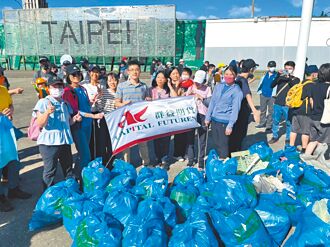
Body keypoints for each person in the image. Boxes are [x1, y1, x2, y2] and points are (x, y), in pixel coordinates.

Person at [33, 76, 81, 189]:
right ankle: (48, 197)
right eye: (54, 86)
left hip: (64, 141)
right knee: (50, 172)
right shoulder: (43, 102)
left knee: (68, 169)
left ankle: (71, 192)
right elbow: (40, 123)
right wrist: (47, 113)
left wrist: (75, 119)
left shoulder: (65, 103)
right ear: (48, 88)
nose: (57, 88)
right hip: (49, 144)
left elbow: (68, 122)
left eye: (59, 86)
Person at [63, 64, 103, 179]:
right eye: (73, 74)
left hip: (87, 125)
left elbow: (86, 105)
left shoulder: (82, 88)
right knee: (85, 155)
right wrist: (93, 116)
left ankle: (78, 177)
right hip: (78, 126)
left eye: (78, 74)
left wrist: (94, 99)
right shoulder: (68, 91)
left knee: (84, 154)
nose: (76, 76)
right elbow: (76, 111)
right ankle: (81, 179)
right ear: (68, 76)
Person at [0, 85, 31, 212]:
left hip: (6, 131)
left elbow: (10, 104)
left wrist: (10, 110)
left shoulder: (2, 89)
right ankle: (1, 198)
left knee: (13, 160)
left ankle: (13, 188)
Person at [115, 60, 151, 166]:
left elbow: (147, 99)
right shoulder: (121, 86)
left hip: (141, 120)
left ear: (140, 71)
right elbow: (116, 103)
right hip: (126, 120)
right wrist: (123, 104)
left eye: (137, 70)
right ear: (127, 72)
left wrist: (149, 99)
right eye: (132, 70)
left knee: (143, 143)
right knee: (126, 145)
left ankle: (146, 163)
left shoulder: (144, 86)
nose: (134, 72)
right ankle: (127, 165)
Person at [205, 66, 243, 159]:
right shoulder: (219, 86)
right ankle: (220, 161)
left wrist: (230, 125)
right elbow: (212, 102)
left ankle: (223, 163)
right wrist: (207, 117)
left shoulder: (237, 91)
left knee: (223, 145)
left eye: (231, 74)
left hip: (225, 122)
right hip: (214, 119)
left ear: (235, 76)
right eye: (226, 74)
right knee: (216, 142)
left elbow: (235, 110)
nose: (228, 76)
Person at [229, 59, 260, 153]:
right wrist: (255, 111)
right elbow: (247, 95)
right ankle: (235, 154)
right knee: (239, 135)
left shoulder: (238, 78)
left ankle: (233, 152)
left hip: (236, 111)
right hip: (241, 113)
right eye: (254, 68)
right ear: (251, 69)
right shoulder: (243, 80)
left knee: (235, 135)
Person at [302, 63, 330, 160]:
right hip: (325, 119)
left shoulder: (314, 86)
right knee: (323, 142)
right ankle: (320, 160)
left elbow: (311, 101)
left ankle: (306, 158)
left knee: (313, 140)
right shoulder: (329, 88)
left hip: (313, 117)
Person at [150, 71, 177, 168]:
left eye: (162, 78)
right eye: (158, 77)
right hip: (154, 119)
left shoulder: (168, 90)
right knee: (156, 140)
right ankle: (157, 159)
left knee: (166, 140)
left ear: (166, 79)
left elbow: (175, 97)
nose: (160, 79)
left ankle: (165, 159)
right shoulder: (151, 90)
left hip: (166, 119)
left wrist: (170, 86)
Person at [269, 61, 300, 144]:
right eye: (286, 69)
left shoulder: (296, 79)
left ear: (293, 69)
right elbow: (272, 85)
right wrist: (278, 75)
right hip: (278, 103)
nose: (288, 70)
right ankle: (275, 136)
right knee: (275, 121)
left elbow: (294, 85)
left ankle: (288, 138)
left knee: (289, 122)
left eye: (290, 69)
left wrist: (288, 77)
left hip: (288, 105)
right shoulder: (280, 78)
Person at [186, 70, 212, 169]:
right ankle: (191, 160)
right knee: (189, 139)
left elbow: (210, 104)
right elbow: (184, 101)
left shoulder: (208, 89)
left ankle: (201, 162)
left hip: (203, 116)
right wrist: (189, 94)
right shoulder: (190, 87)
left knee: (202, 140)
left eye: (199, 82)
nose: (197, 83)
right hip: (192, 115)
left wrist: (201, 97)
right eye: (196, 81)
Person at [82, 65, 109, 163]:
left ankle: (99, 160)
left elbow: (103, 103)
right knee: (89, 139)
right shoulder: (84, 86)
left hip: (99, 114)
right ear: (89, 73)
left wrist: (100, 96)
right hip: (89, 115)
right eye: (92, 72)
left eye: (97, 72)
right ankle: (90, 160)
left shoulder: (102, 86)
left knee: (100, 139)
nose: (95, 74)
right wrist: (90, 101)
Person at [289, 65, 318, 152]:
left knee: (294, 130)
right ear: (313, 74)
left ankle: (290, 147)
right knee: (306, 131)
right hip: (305, 111)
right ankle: (304, 149)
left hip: (295, 110)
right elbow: (311, 100)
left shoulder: (301, 82)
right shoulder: (312, 85)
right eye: (316, 73)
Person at [167, 67, 185, 161]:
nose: (176, 75)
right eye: (173, 73)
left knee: (180, 135)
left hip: (179, 113)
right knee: (166, 136)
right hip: (168, 114)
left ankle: (178, 153)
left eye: (177, 73)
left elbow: (180, 99)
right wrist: (172, 86)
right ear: (169, 75)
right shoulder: (167, 85)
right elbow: (174, 97)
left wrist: (178, 86)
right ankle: (164, 156)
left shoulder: (182, 85)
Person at [256, 61, 278, 130]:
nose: (272, 68)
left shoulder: (277, 76)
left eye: (274, 66)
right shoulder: (264, 75)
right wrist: (260, 92)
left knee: (271, 111)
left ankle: (269, 125)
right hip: (263, 95)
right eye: (271, 66)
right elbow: (261, 84)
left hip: (272, 96)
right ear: (268, 67)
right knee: (263, 110)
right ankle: (262, 123)